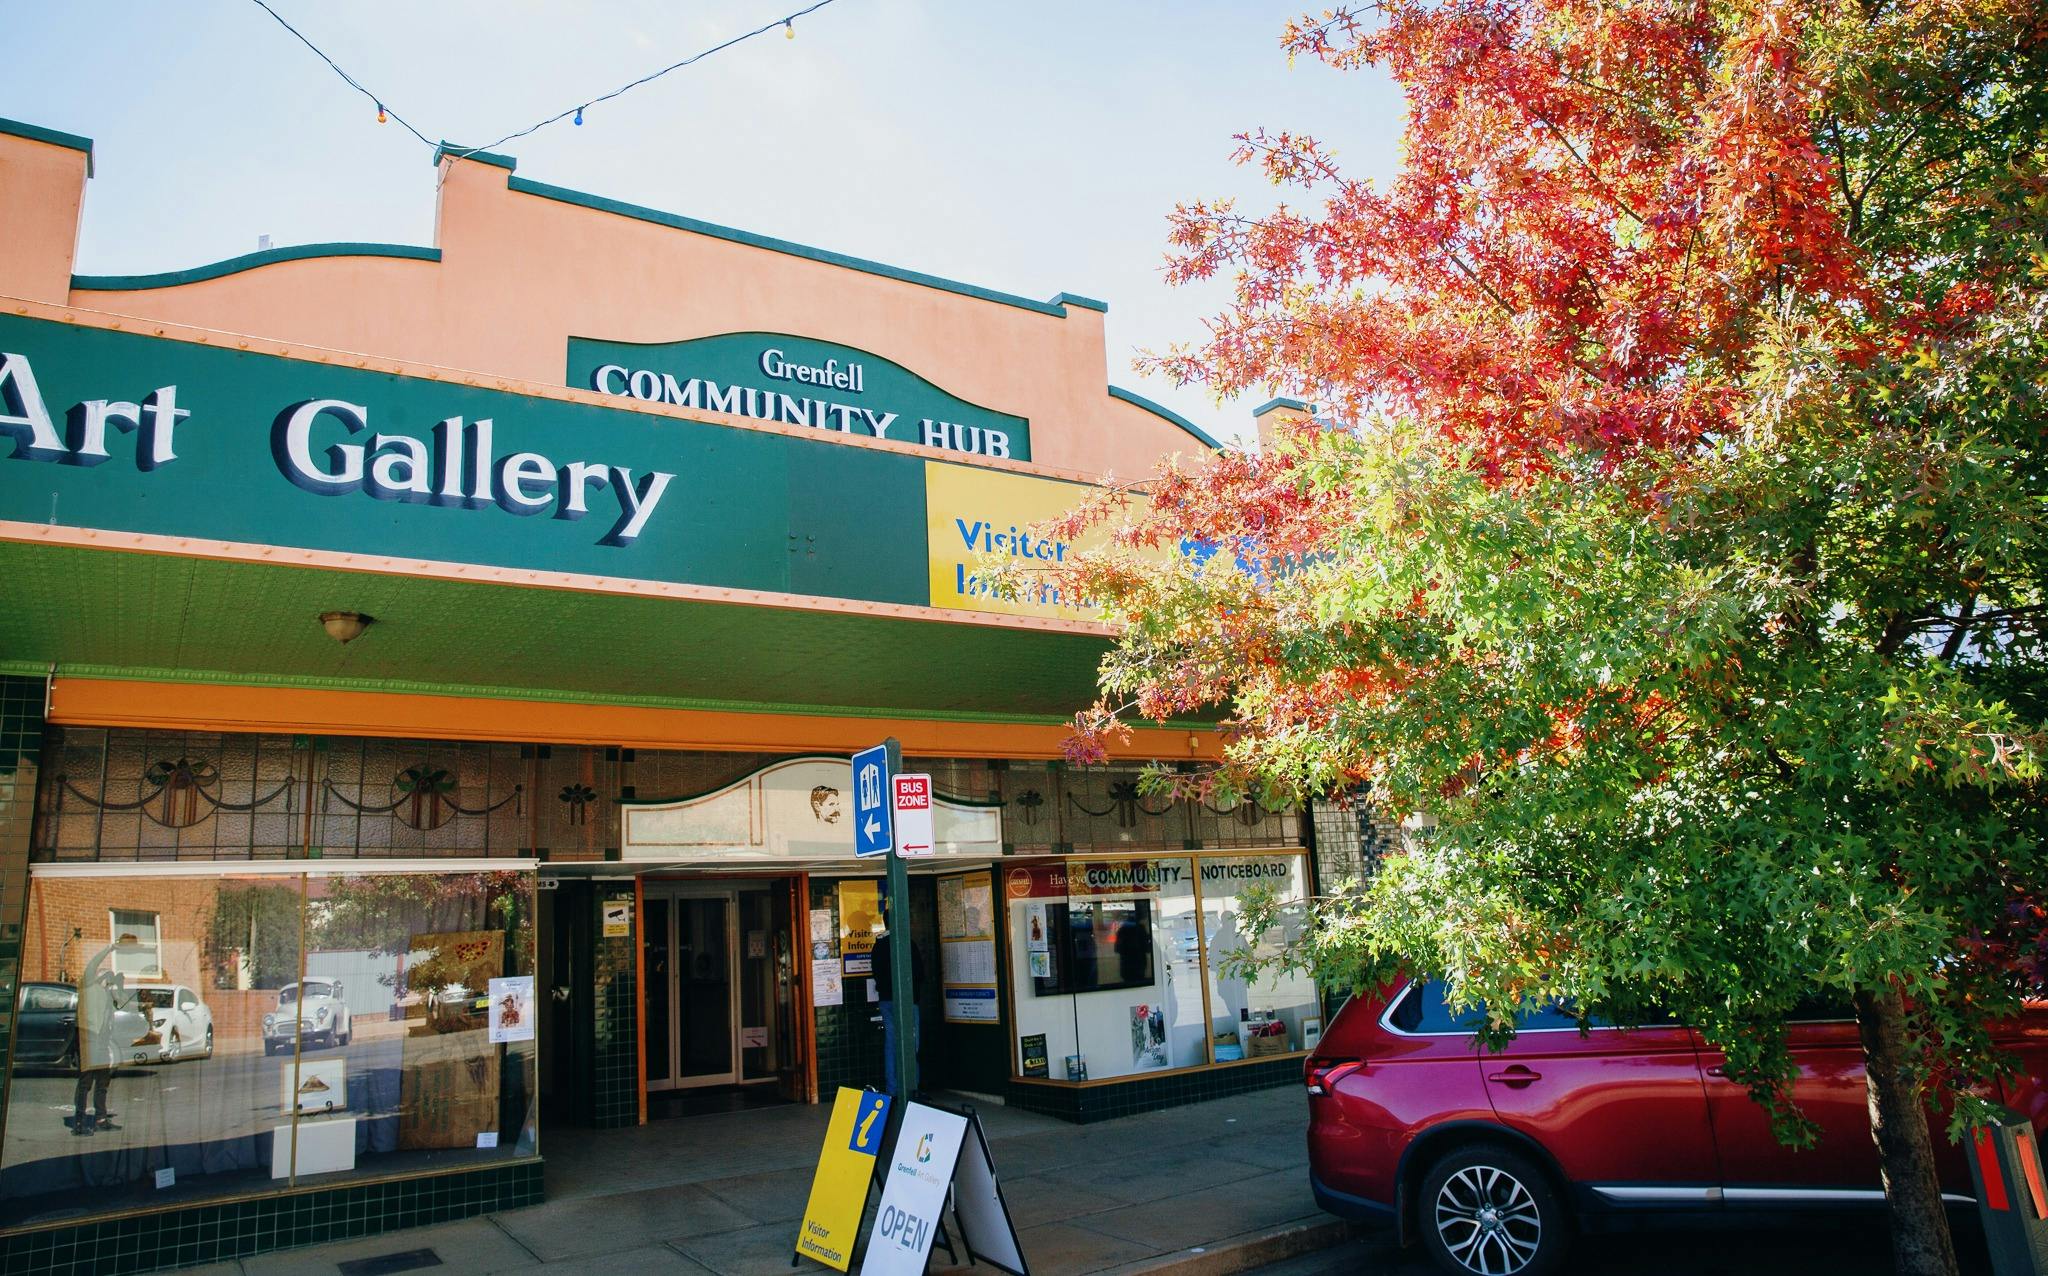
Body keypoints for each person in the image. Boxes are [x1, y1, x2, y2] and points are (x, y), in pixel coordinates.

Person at [870, 926, 925, 1098]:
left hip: (886, 999)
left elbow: (876, 972)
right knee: (911, 1042)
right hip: (908, 1000)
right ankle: (911, 1087)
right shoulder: (907, 943)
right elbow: (919, 973)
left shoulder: (878, 945)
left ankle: (892, 1088)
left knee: (891, 1043)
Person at [72, 970, 121, 1135]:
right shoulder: (89, 992)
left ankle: (100, 1119)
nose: (109, 982)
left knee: (103, 1081)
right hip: (88, 1041)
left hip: (102, 1043)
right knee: (85, 1083)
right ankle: (79, 1123)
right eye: (107, 979)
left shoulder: (106, 995)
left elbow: (115, 1007)